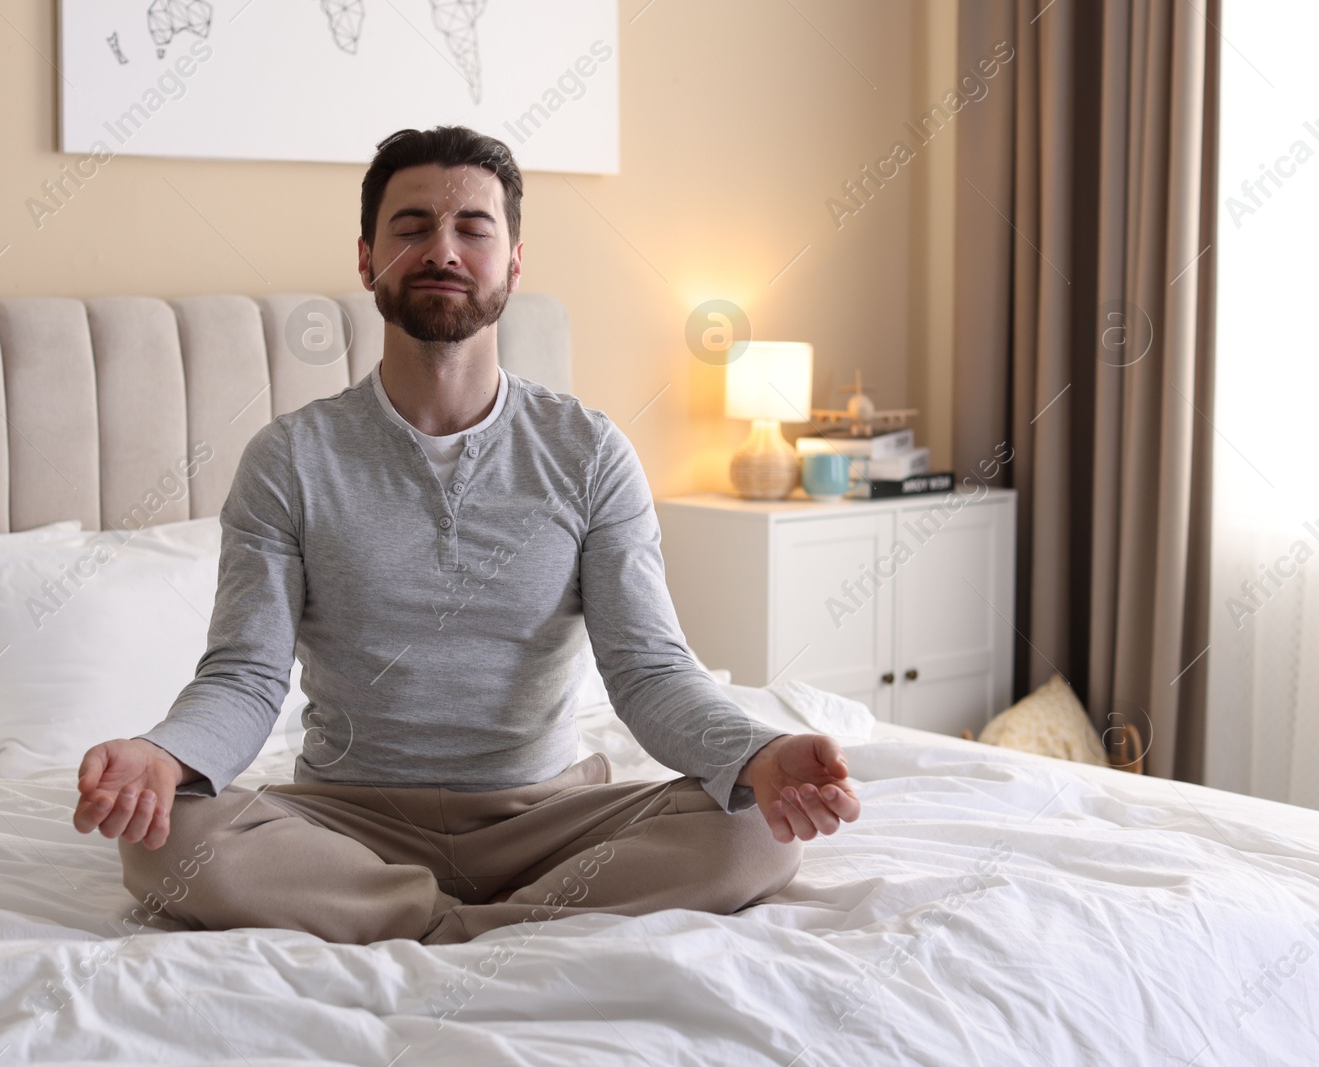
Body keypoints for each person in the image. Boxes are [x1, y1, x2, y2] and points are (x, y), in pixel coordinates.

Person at [72, 125, 860, 946]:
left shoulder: (589, 453)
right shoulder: (289, 459)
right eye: (411, 227)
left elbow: (649, 671)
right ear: (366, 257)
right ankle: (503, 927)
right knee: (165, 845)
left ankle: (421, 921)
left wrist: (757, 752)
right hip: (346, 823)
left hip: (548, 819)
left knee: (755, 828)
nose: (440, 249)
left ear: (514, 260)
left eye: (472, 228)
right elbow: (243, 676)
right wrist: (164, 757)